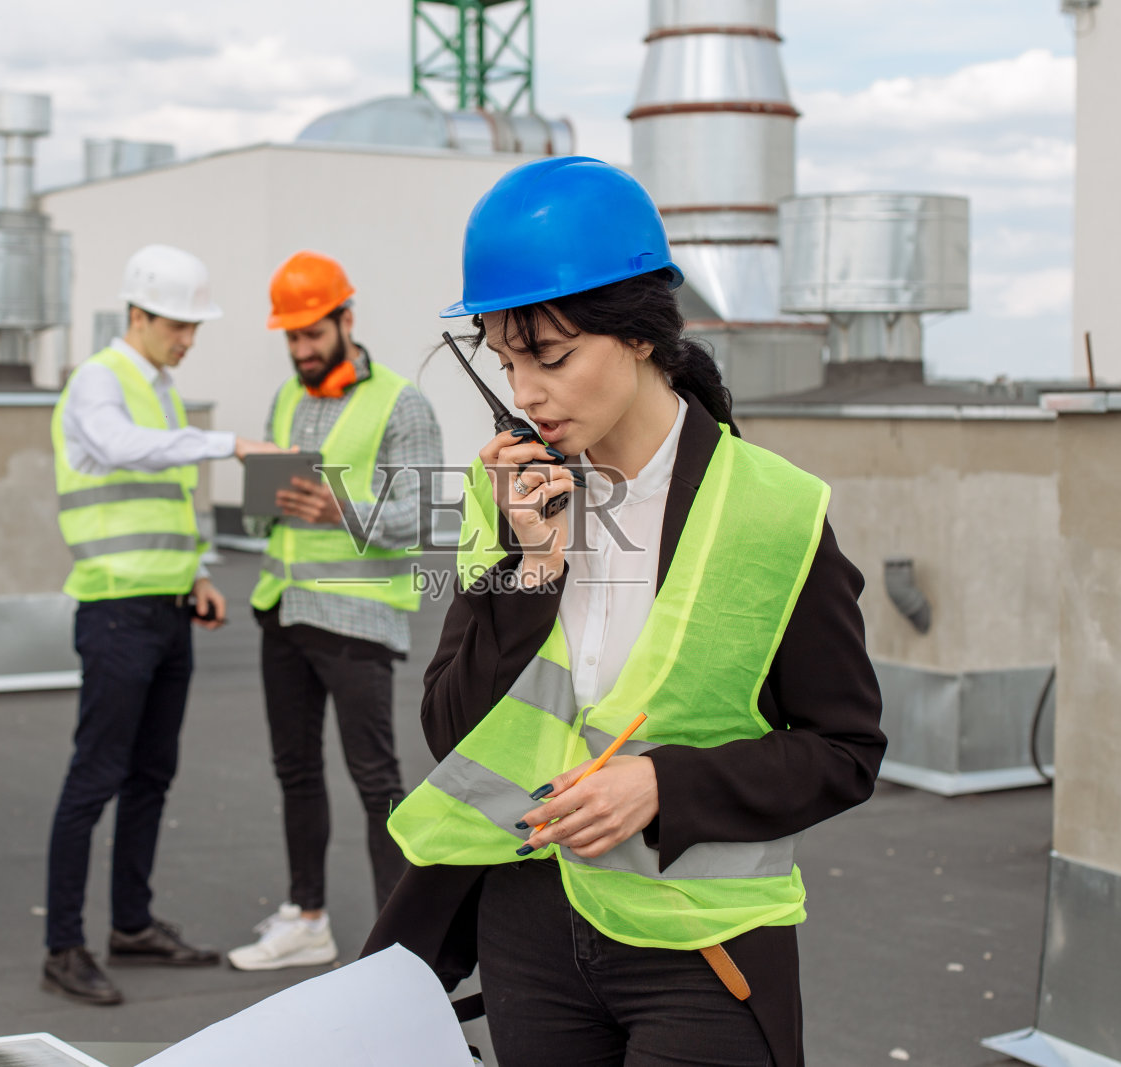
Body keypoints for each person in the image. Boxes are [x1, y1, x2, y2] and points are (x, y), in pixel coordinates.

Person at [365, 158, 887, 1066]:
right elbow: (454, 732)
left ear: (641, 333)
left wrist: (663, 787)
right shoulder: (514, 491)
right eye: (506, 360)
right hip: (527, 927)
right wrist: (534, 567)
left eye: (551, 357)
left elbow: (846, 751)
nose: (525, 393)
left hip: (702, 945)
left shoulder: (772, 509)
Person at [43, 243, 275, 1005]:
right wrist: (231, 443)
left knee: (151, 775)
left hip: (168, 607)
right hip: (114, 611)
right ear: (137, 316)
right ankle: (63, 945)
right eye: (179, 324)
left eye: (194, 325)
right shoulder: (97, 384)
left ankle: (132, 924)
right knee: (95, 777)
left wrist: (200, 571)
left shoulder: (162, 389)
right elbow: (119, 450)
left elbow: (170, 495)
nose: (189, 338)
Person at [226, 251, 444, 972]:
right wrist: (267, 497)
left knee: (376, 779)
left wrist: (338, 506)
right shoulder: (288, 398)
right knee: (296, 771)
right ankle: (307, 916)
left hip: (357, 622)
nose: (300, 350)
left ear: (346, 320)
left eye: (311, 334)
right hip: (283, 611)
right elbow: (266, 517)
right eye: (290, 337)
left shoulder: (402, 403)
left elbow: (422, 516)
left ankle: (397, 949)